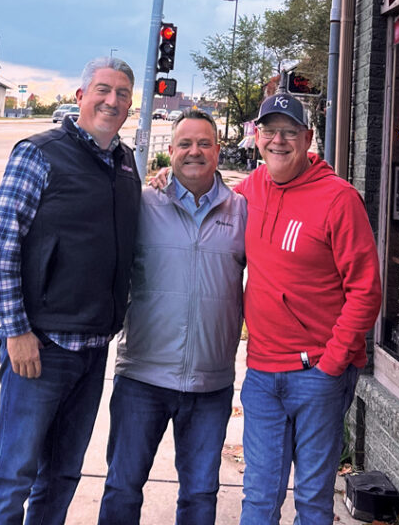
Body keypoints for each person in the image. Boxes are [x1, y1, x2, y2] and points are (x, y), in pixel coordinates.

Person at [0, 57, 141, 525]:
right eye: (103, 90)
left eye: (122, 93)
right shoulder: (39, 153)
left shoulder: (124, 162)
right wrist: (16, 330)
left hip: (92, 350)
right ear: (81, 96)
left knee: (63, 475)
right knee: (13, 474)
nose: (112, 100)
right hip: (40, 349)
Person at [238, 92, 382, 525]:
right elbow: (205, 200)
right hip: (262, 375)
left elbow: (366, 291)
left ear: (308, 138)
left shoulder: (338, 200)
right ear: (257, 137)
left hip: (317, 375)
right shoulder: (250, 190)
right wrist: (166, 180)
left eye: (289, 132)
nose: (278, 141)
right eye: (269, 131)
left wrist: (332, 363)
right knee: (259, 499)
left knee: (314, 501)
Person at [98, 109, 247, 525]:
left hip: (210, 385)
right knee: (122, 488)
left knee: (200, 495)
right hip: (142, 378)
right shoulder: (143, 205)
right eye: (185, 144)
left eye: (203, 143)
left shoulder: (242, 213)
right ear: (171, 152)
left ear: (218, 151)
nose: (194, 152)